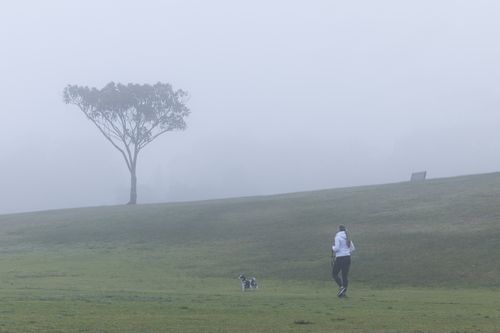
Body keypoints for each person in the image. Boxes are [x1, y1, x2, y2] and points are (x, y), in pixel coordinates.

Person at [331, 224, 355, 298]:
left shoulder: (337, 237)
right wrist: (346, 251)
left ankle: (342, 287)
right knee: (344, 275)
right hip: (347, 257)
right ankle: (343, 293)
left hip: (340, 258)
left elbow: (337, 248)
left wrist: (333, 247)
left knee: (334, 273)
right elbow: (352, 248)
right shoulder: (348, 237)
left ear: (339, 229)